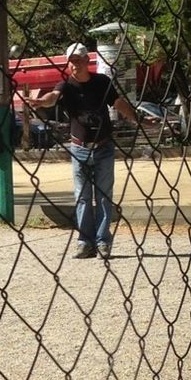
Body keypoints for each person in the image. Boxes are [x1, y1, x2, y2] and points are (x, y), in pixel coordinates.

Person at [28, 42, 142, 259]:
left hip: (103, 147)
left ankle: (102, 242)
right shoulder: (66, 86)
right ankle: (84, 241)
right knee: (82, 197)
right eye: (70, 62)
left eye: (78, 61)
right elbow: (52, 96)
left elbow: (118, 103)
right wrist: (41, 102)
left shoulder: (102, 82)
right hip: (79, 149)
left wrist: (139, 118)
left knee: (103, 197)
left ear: (87, 61)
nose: (74, 66)